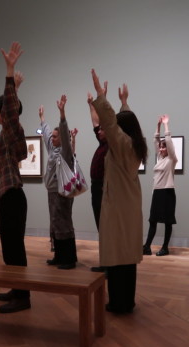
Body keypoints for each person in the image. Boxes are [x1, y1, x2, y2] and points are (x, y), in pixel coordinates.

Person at [90, 70, 147, 314]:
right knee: (125, 258)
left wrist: (101, 97)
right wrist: (124, 102)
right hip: (126, 207)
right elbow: (123, 122)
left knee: (119, 258)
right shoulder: (132, 144)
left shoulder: (123, 145)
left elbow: (113, 124)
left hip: (120, 210)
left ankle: (120, 303)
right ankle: (124, 301)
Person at [0, 42, 30, 314]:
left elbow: (12, 110)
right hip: (6, 196)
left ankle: (23, 297)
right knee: (9, 248)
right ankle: (17, 288)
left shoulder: (14, 129)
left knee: (15, 248)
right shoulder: (6, 134)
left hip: (13, 196)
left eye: (1, 110)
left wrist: (9, 72)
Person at [39, 95, 78, 270]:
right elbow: (46, 135)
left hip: (63, 192)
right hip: (52, 192)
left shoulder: (65, 151)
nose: (52, 139)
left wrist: (62, 114)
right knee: (55, 222)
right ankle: (58, 255)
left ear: (62, 138)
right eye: (53, 137)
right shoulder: (53, 149)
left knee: (64, 222)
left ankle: (69, 259)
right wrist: (42, 120)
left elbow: (62, 131)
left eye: (56, 137)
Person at [143, 114, 177, 256]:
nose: (162, 149)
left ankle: (165, 247)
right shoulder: (160, 159)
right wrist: (157, 126)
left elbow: (168, 141)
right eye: (161, 148)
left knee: (167, 222)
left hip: (167, 192)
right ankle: (147, 247)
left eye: (164, 147)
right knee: (153, 220)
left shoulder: (171, 159)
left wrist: (165, 125)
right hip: (157, 192)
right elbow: (155, 141)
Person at [87, 93, 108, 273]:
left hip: (104, 188)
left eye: (103, 129)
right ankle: (105, 262)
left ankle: (110, 265)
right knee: (101, 227)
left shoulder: (112, 145)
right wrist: (91, 106)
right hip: (96, 188)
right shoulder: (102, 144)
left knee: (107, 228)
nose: (99, 131)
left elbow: (100, 123)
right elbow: (95, 124)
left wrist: (102, 102)